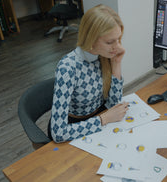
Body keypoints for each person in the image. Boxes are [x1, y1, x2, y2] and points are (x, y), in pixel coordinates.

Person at [49, 4, 129, 143]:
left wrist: (116, 63)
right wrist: (104, 119)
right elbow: (58, 133)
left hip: (96, 121)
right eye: (110, 42)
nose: (117, 47)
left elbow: (113, 104)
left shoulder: (104, 56)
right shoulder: (68, 68)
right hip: (73, 129)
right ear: (91, 39)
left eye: (118, 39)